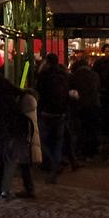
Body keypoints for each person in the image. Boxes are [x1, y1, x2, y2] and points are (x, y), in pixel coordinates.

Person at [0, 72, 37, 200]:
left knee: (5, 163)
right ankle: (27, 188)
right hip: (17, 133)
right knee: (21, 161)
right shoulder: (14, 96)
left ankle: (2, 191)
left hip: (5, 134)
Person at [35, 53, 72, 181]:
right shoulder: (63, 74)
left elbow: (38, 91)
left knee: (42, 141)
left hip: (46, 112)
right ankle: (55, 166)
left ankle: (51, 162)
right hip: (60, 113)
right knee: (58, 142)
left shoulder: (43, 75)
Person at [69, 56, 102, 160]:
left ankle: (84, 150)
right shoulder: (94, 75)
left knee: (82, 128)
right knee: (93, 128)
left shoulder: (74, 76)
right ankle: (93, 149)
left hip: (81, 105)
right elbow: (98, 87)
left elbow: (72, 90)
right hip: (94, 104)